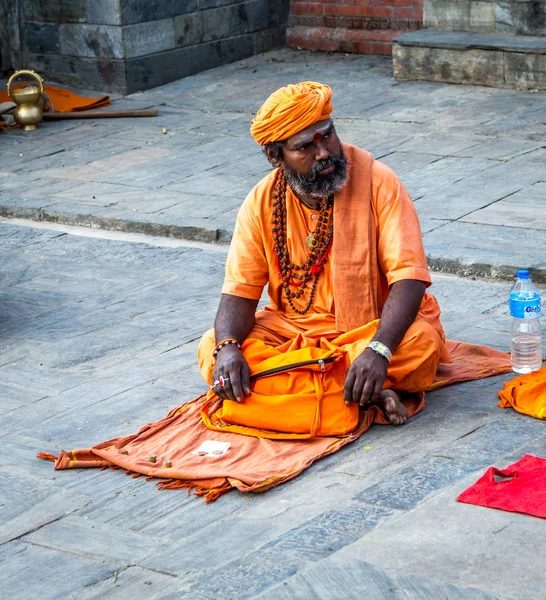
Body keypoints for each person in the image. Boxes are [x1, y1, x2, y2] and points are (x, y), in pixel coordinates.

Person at [197, 81, 451, 426]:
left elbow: (409, 278)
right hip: (293, 332)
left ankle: (290, 396)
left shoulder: (379, 181)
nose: (324, 153)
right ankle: (355, 394)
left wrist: (378, 350)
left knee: (421, 343)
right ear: (276, 156)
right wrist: (227, 346)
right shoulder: (261, 201)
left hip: (371, 331)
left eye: (327, 135)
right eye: (305, 147)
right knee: (212, 345)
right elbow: (239, 291)